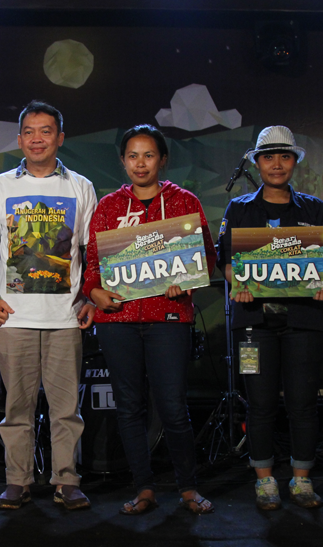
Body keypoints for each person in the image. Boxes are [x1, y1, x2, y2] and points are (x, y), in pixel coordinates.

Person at [83, 124, 217, 515]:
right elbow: (92, 264)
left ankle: (188, 488)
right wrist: (94, 292)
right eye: (132, 156)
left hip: (168, 319)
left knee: (173, 406)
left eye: (148, 155)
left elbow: (206, 257)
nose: (140, 163)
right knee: (128, 407)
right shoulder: (109, 206)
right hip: (118, 319)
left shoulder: (184, 202)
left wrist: (186, 282)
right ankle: (143, 488)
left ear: (162, 159)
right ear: (123, 161)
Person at [0, 100, 97, 511]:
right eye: (29, 131)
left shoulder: (80, 186)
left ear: (60, 138)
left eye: (46, 131)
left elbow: (91, 252)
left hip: (66, 317)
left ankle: (67, 481)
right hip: (13, 316)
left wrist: (88, 298)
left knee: (67, 409)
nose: (37, 139)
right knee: (17, 407)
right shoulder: (0, 186)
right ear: (19, 139)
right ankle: (18, 480)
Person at [216, 126, 323, 510]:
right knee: (260, 404)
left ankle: (302, 479)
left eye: (285, 156)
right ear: (258, 163)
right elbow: (225, 260)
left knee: (303, 404)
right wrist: (238, 282)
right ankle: (264, 480)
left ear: (295, 161)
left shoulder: (313, 208)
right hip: (254, 322)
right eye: (269, 157)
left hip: (304, 320)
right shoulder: (239, 209)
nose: (277, 164)